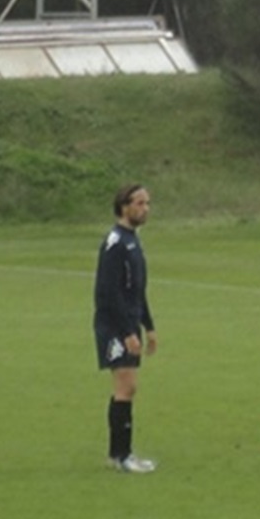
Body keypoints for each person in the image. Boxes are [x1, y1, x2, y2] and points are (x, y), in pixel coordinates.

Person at [95, 183, 158, 473]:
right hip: (114, 327)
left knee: (127, 388)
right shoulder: (115, 243)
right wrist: (128, 332)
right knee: (126, 386)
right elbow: (109, 292)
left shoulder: (132, 240)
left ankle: (117, 455)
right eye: (140, 203)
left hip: (130, 323)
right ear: (124, 206)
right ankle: (122, 455)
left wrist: (149, 326)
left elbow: (137, 290)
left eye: (147, 203)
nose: (146, 208)